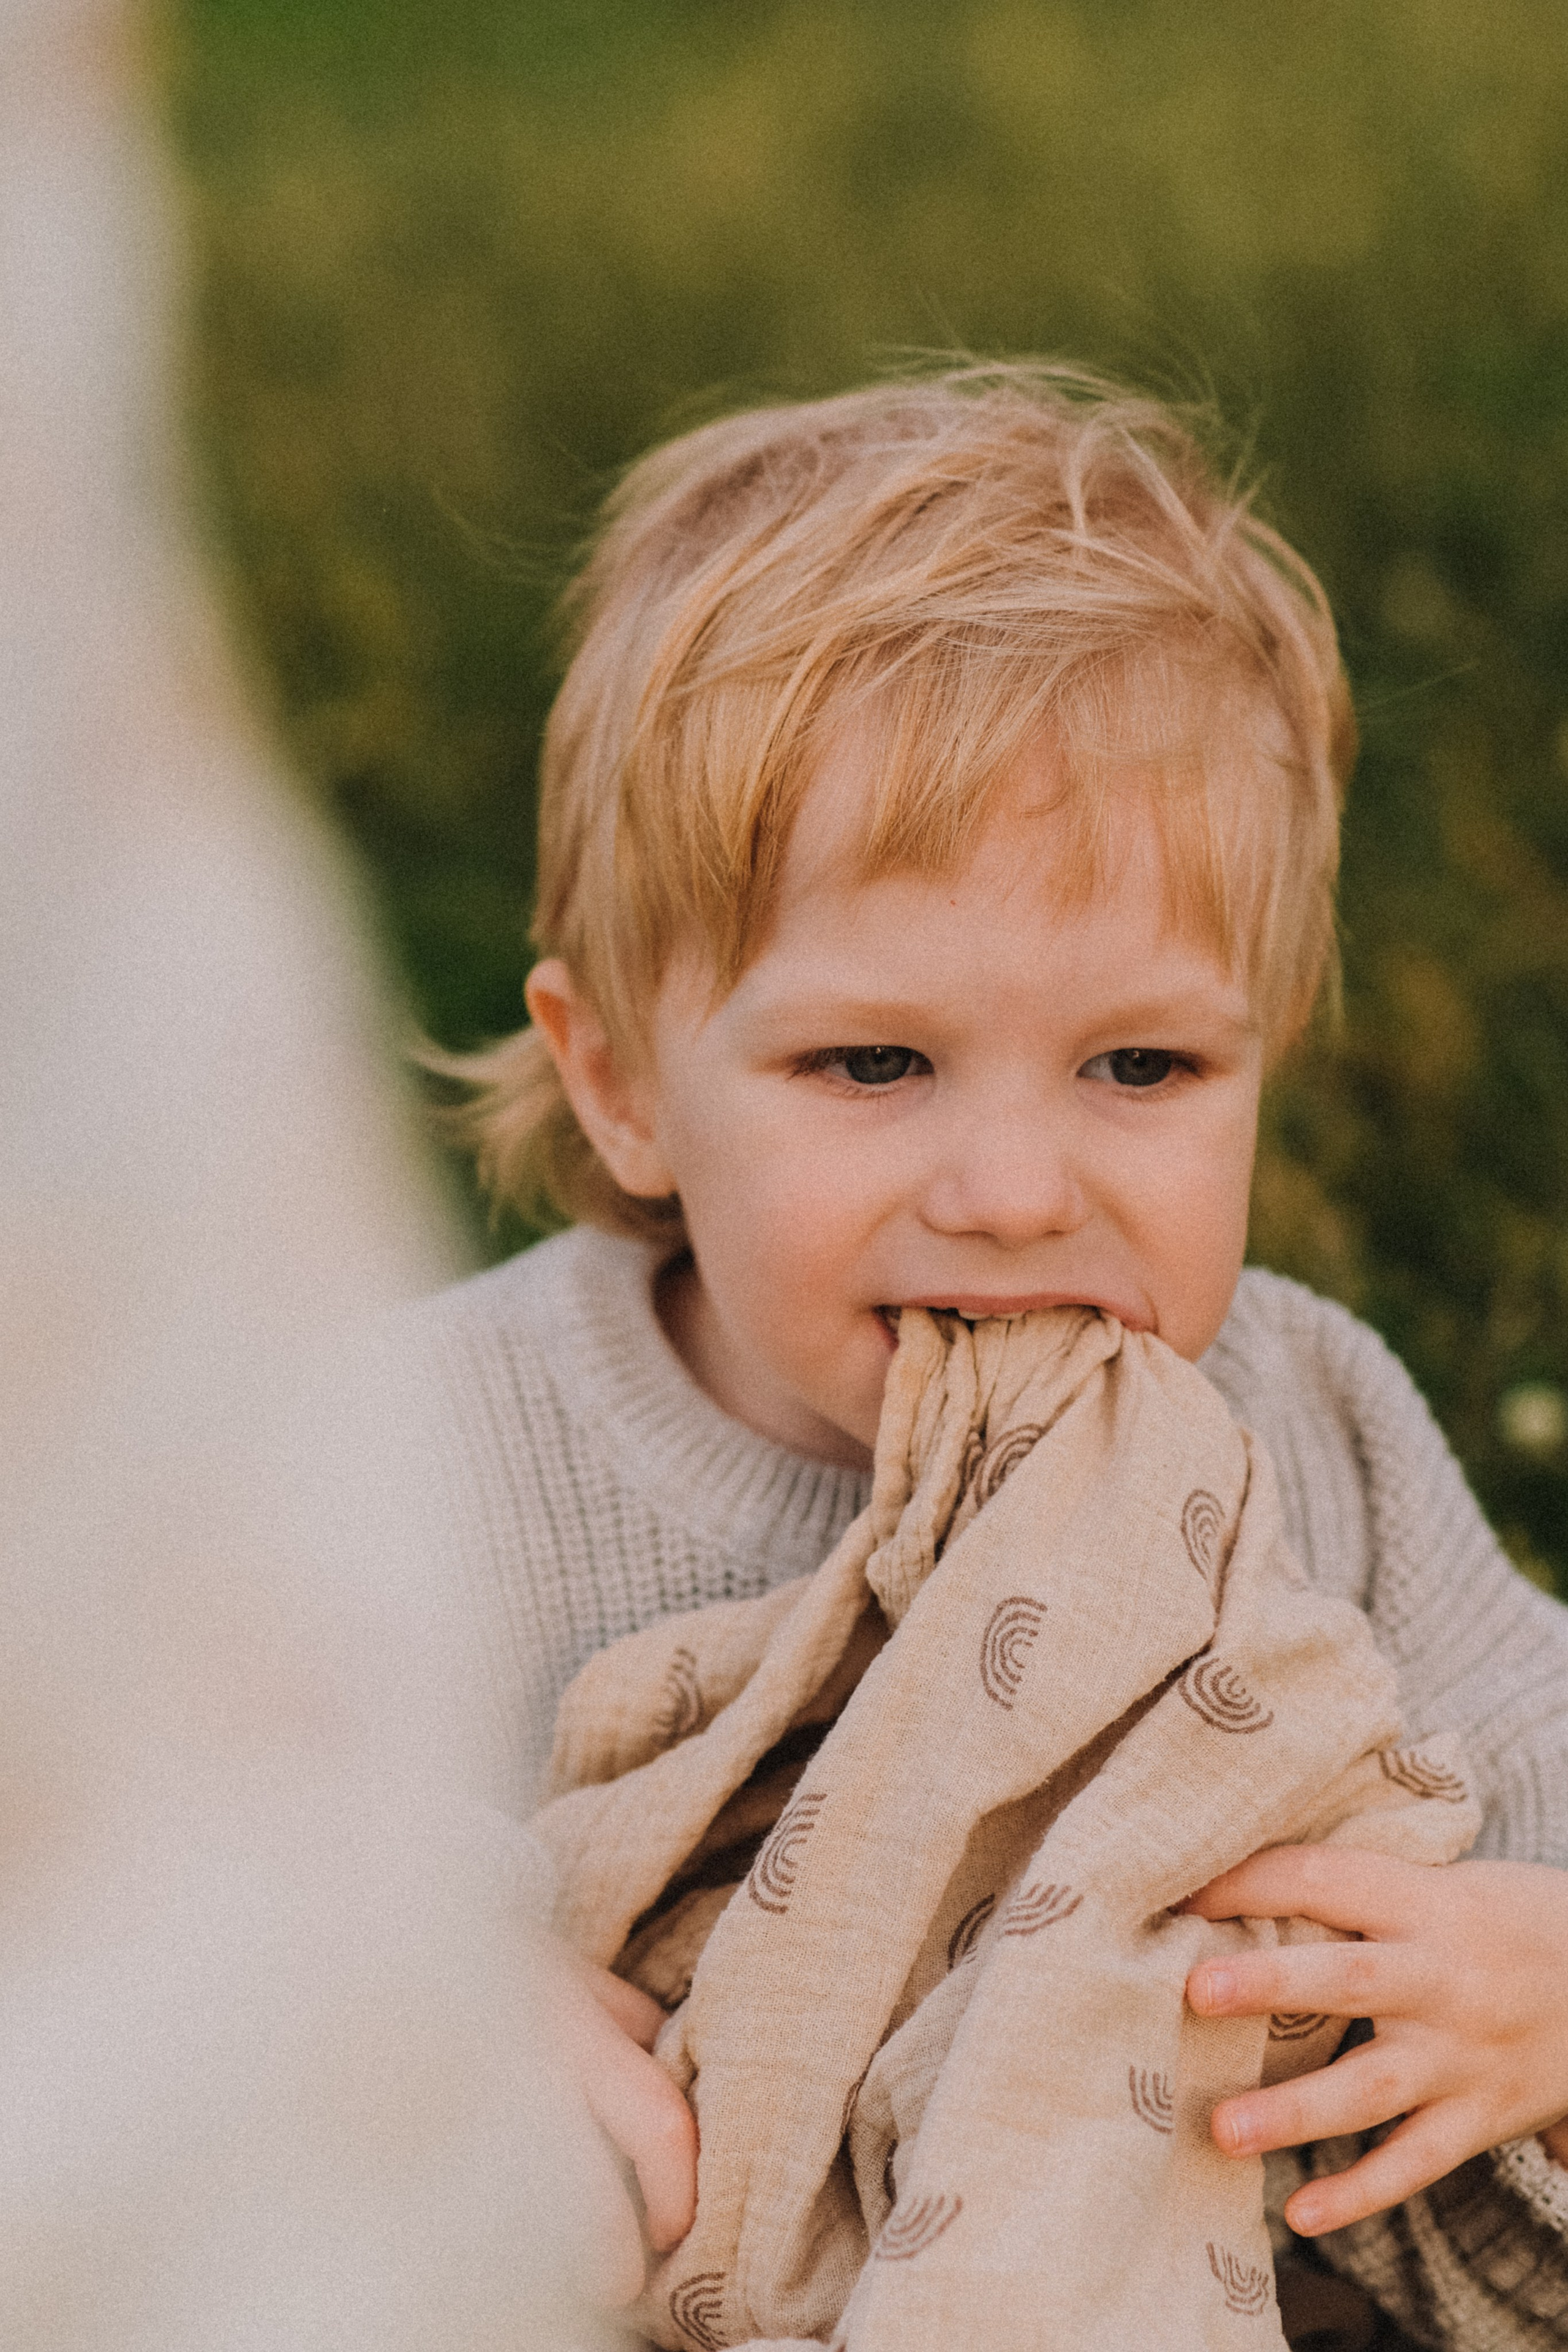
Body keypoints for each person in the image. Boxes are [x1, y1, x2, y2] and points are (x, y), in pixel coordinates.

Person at [413, 366, 1568, 2345]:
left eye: (1144, 1067)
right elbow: (164, 1817)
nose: (1022, 1189)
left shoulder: (1294, 1415)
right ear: (618, 1083)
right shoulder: (441, 1448)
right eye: (874, 1063)